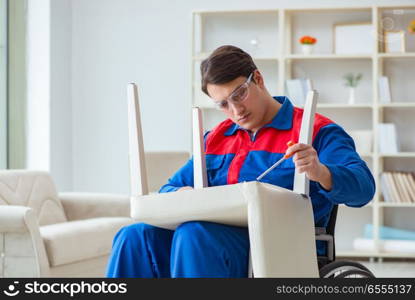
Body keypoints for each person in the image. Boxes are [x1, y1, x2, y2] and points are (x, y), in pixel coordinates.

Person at [106, 45, 375, 278]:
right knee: (134, 237)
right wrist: (181, 194)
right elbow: (169, 190)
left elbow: (363, 188)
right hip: (214, 242)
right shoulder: (214, 139)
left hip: (282, 245)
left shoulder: (316, 130)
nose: (235, 111)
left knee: (195, 234)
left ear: (257, 78)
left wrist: (321, 171)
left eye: (239, 94)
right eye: (223, 104)